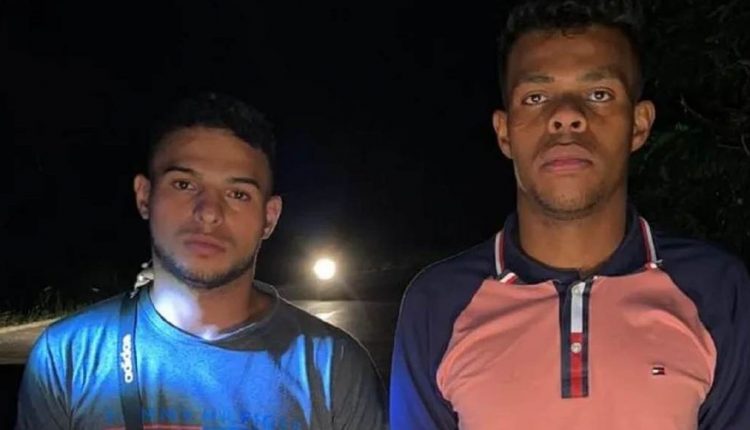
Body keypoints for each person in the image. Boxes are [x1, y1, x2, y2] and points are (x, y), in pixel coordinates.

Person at [389, 1, 750, 429]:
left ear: (638, 124)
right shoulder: (437, 304)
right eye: (536, 97)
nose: (566, 116)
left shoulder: (716, 290)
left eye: (599, 94)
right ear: (504, 132)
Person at [16, 92, 387, 430]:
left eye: (238, 193)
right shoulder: (66, 358)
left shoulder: (334, 368)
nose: (209, 212)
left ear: (269, 218)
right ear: (144, 196)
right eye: (184, 185)